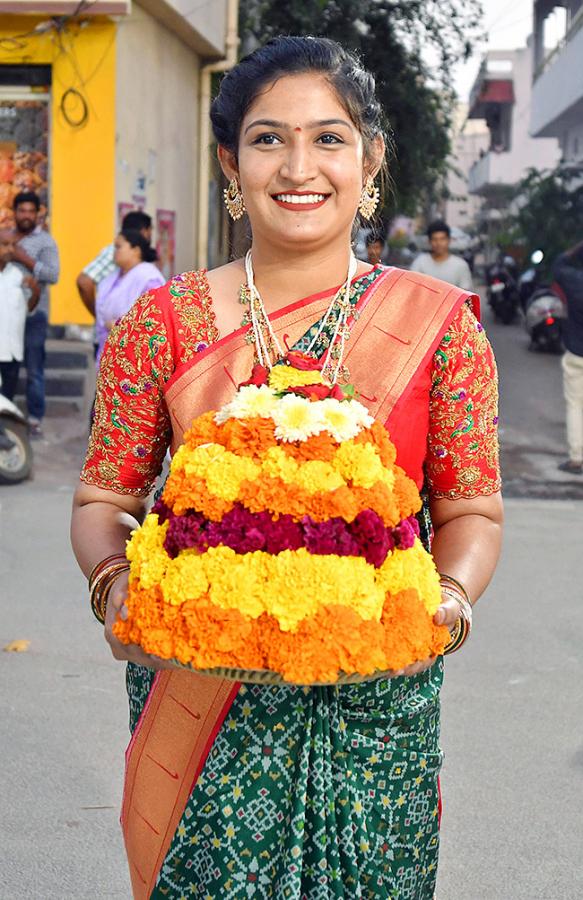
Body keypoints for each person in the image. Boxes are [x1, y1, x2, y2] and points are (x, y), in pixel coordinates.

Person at [71, 37, 503, 899]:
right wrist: (117, 589)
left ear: (369, 158)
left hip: (377, 699)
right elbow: (102, 499)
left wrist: (440, 613)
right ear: (230, 162)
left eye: (328, 138)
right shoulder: (159, 325)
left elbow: (471, 513)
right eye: (268, 139)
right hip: (198, 696)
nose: (298, 166)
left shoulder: (438, 326)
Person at [11, 191, 60, 438]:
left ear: (38, 213)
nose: (27, 216)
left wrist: (25, 260)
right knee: (5, 367)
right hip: (6, 315)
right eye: (22, 211)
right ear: (15, 213)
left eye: (31, 211)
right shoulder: (6, 238)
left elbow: (53, 275)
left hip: (34, 316)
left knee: (34, 370)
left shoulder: (46, 242)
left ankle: (34, 421)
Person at [95, 229, 165, 366]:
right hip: (108, 352)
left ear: (136, 250)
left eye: (118, 247)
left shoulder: (148, 278)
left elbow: (155, 318)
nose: (114, 251)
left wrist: (120, 325)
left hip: (134, 357)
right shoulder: (114, 276)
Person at [76, 210, 154, 317]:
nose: (150, 236)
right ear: (144, 231)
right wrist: (99, 316)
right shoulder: (118, 252)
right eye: (149, 231)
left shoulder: (147, 272)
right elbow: (84, 281)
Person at [553, 239, 583, 474]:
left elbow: (559, 263)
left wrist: (578, 245)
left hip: (576, 352)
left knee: (575, 405)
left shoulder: (574, 279)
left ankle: (576, 458)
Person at [0, 229, 39, 400]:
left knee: (6, 403)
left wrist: (35, 290)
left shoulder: (17, 275)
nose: (10, 250)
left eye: (13, 245)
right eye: (5, 245)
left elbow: (28, 308)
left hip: (13, 352)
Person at [411, 219, 473, 291]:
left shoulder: (460, 265)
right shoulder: (420, 263)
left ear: (449, 240)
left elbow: (466, 296)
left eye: (442, 239)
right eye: (435, 239)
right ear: (429, 241)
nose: (438, 243)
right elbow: (412, 290)